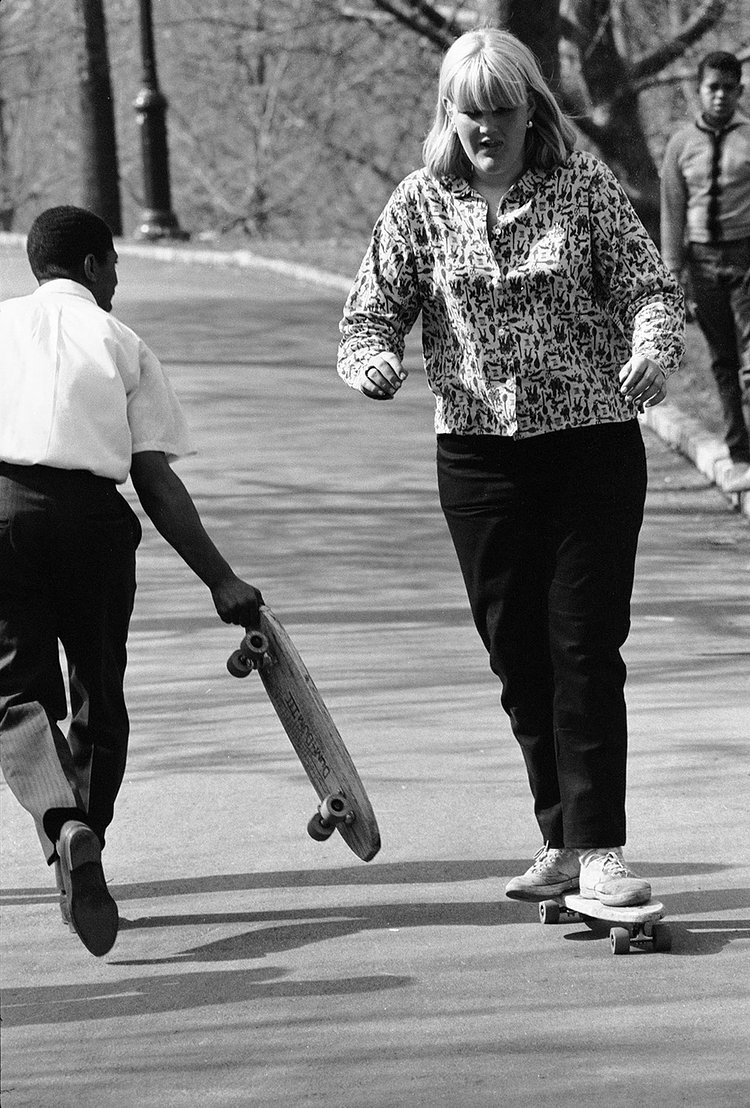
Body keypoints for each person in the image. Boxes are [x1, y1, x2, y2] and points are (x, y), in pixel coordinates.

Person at [338, 29, 684, 908]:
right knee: (516, 655)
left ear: (534, 110)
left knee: (583, 645)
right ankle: (559, 838)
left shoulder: (581, 186)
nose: (487, 128)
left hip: (590, 446)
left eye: (503, 110)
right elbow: (370, 314)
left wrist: (650, 346)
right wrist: (372, 361)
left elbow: (649, 286)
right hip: (480, 458)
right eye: (472, 113)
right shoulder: (420, 203)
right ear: (449, 116)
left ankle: (601, 846)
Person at [0, 206, 263, 956]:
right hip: (91, 523)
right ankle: (89, 842)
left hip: (0, 515)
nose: (116, 278)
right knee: (98, 690)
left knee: (14, 694)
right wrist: (221, 579)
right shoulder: (121, 342)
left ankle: (62, 826)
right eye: (113, 264)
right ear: (91, 265)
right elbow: (155, 479)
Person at [661, 51, 750, 494]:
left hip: (746, 256)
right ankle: (739, 453)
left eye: (729, 88)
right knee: (724, 361)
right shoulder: (680, 145)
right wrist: (674, 272)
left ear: (740, 91)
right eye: (712, 87)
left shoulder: (749, 139)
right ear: (699, 90)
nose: (720, 96)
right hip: (702, 262)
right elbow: (672, 211)